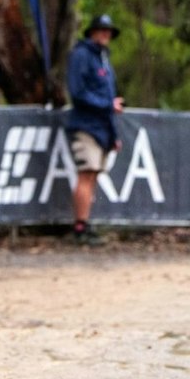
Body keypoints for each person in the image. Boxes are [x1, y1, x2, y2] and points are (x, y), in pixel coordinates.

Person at [63, 14, 124, 247]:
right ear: (92, 32)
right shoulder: (81, 55)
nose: (106, 34)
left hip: (102, 128)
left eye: (108, 31)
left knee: (93, 174)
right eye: (101, 30)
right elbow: (78, 92)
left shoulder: (104, 60)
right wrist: (107, 105)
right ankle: (80, 226)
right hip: (86, 126)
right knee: (86, 173)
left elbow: (109, 98)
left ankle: (86, 223)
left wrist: (114, 134)